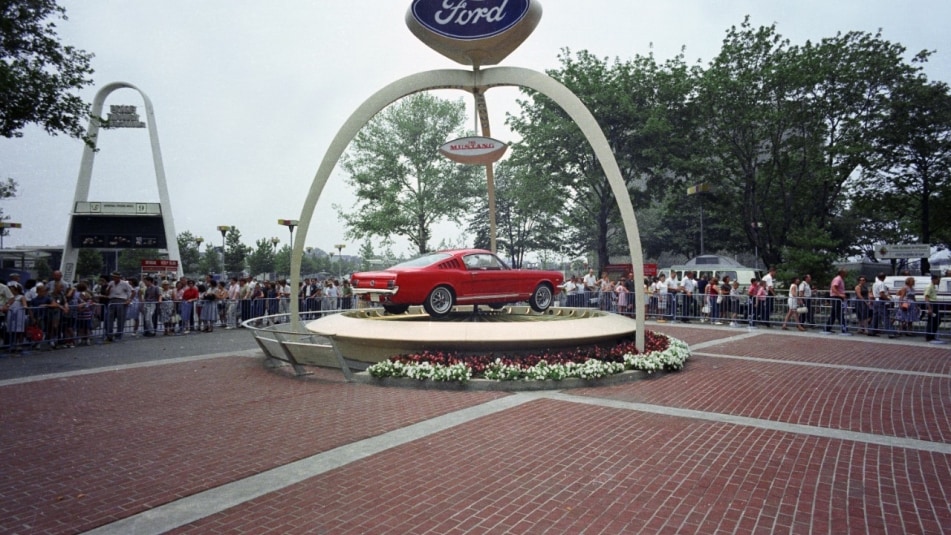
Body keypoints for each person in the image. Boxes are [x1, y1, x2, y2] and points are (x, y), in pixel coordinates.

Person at [104, 272, 134, 342]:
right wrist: (109, 288)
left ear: (119, 277)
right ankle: (109, 334)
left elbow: (133, 291)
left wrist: (129, 300)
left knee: (121, 318)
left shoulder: (124, 283)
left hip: (121, 300)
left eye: (116, 277)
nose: (115, 278)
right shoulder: (111, 283)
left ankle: (119, 334)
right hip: (112, 300)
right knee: (109, 318)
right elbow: (106, 293)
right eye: (113, 277)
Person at [870, 272, 894, 337]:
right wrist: (888, 299)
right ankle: (891, 332)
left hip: (876, 300)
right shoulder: (882, 284)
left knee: (875, 316)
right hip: (881, 301)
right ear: (884, 277)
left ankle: (872, 331)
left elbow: (872, 292)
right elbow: (882, 293)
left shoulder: (874, 284)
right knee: (885, 317)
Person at [824, 269, 847, 334]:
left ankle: (827, 328)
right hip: (837, 297)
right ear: (842, 273)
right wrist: (840, 294)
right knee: (839, 313)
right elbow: (833, 287)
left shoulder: (840, 279)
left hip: (837, 297)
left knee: (834, 314)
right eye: (845, 272)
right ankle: (844, 328)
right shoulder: (838, 279)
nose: (846, 273)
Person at [924, 273, 945, 343]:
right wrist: (929, 308)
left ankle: (932, 334)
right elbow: (926, 297)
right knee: (932, 321)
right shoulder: (929, 287)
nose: (938, 281)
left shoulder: (933, 287)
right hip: (932, 304)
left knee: (936, 320)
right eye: (937, 280)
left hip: (934, 304)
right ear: (934, 279)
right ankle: (929, 336)